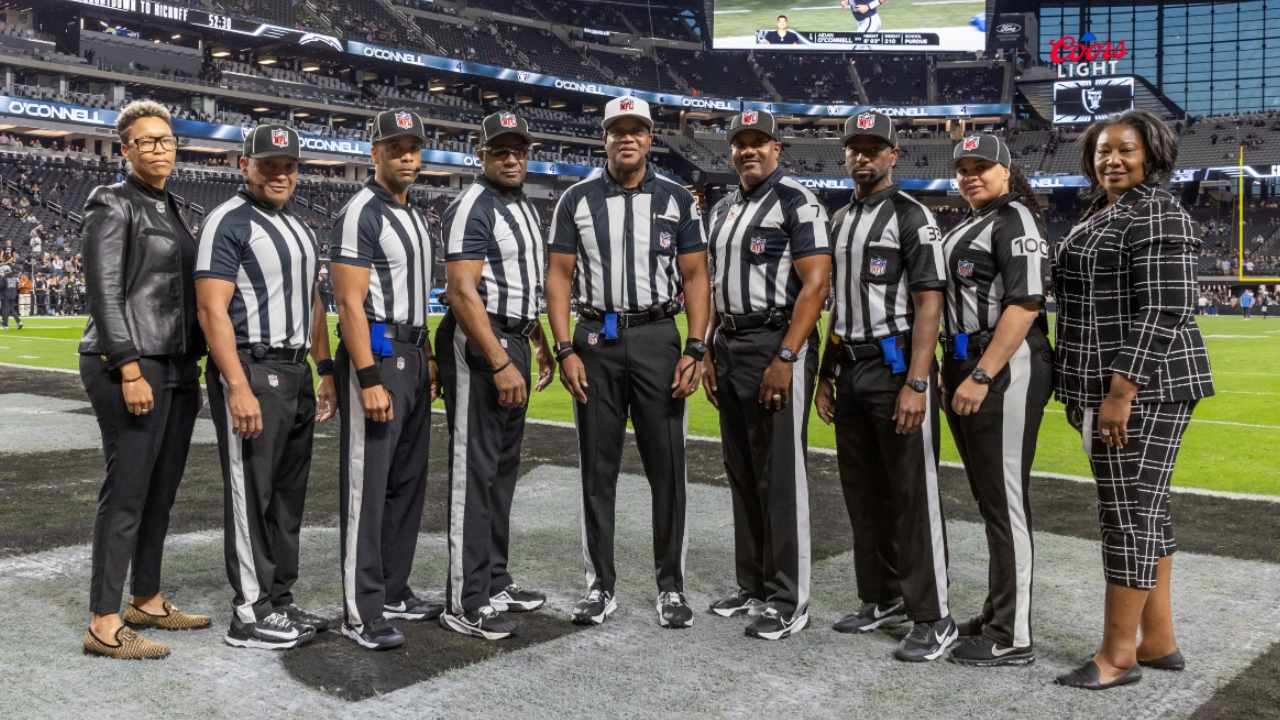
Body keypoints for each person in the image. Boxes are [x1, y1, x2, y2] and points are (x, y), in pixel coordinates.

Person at [1052, 109, 1215, 690]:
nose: (1112, 159)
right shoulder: (1105, 208)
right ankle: (1159, 641)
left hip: (1146, 386)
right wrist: (1077, 390)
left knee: (1126, 516)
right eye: (1102, 150)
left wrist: (1121, 392)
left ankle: (1117, 657)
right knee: (1147, 509)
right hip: (1106, 383)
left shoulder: (1157, 208)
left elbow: (1166, 306)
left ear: (1152, 154)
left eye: (1125, 150)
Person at [546, 95, 710, 629]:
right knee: (598, 470)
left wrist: (695, 347)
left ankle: (671, 587)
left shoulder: (678, 200)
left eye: (636, 129)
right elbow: (560, 277)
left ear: (649, 137)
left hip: (659, 338)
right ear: (605, 138)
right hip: (595, 338)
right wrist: (565, 346)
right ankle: (600, 586)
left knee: (668, 470)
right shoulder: (575, 199)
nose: (627, 138)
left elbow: (695, 278)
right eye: (617, 130)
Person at [812, 112, 952, 660]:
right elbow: (836, 308)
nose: (862, 156)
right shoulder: (839, 219)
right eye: (854, 148)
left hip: (898, 369)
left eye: (874, 148)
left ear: (894, 155)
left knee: (911, 495)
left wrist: (918, 380)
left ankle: (934, 616)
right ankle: (882, 597)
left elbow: (929, 304)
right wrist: (827, 372)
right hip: (850, 367)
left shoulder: (912, 215)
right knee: (863, 493)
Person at [195, 125, 336, 650]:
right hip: (253, 366)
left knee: (286, 496)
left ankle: (279, 598)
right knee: (250, 491)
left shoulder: (299, 227)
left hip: (296, 369)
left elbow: (315, 303)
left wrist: (325, 370)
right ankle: (249, 611)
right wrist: (236, 384)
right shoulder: (226, 222)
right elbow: (211, 309)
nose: (281, 173)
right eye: (269, 163)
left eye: (289, 165)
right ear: (244, 165)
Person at [78, 101, 209, 660]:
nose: (160, 148)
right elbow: (104, 293)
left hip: (177, 366)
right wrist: (128, 367)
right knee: (128, 490)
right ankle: (104, 622)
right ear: (125, 149)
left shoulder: (173, 206)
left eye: (167, 140)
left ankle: (148, 599)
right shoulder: (112, 201)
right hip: (130, 363)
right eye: (147, 141)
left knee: (161, 491)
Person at [704, 110, 830, 641]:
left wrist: (787, 356)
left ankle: (789, 596)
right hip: (729, 342)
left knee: (780, 474)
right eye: (740, 143)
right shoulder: (723, 208)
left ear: (778, 149)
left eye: (759, 143)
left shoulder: (798, 200)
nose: (748, 151)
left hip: (776, 341)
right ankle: (753, 584)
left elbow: (817, 283)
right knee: (742, 470)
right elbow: (711, 284)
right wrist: (707, 348)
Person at [436, 112, 556, 640]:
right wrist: (500, 359)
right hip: (482, 343)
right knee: (475, 469)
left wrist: (539, 341)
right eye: (500, 150)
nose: (511, 158)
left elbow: (523, 286)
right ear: (479, 154)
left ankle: (494, 579)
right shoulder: (472, 205)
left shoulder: (524, 206)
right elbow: (463, 291)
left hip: (515, 336)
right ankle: (465, 598)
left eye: (519, 150)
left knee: (502, 470)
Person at [936, 135, 1054, 666]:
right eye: (962, 169)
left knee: (1005, 503)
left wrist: (982, 373)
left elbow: (1026, 303)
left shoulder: (1015, 220)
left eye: (981, 166)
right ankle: (997, 610)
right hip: (965, 360)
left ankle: (1013, 635)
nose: (970, 175)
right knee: (990, 500)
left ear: (1007, 171)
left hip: (1003, 366)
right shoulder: (968, 223)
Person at [330, 109, 442, 651]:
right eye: (395, 147)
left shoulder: (415, 215)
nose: (407, 156)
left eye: (413, 147)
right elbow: (349, 303)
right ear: (374, 153)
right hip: (378, 352)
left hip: (414, 353)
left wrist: (428, 357)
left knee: (406, 481)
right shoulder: (361, 212)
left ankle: (394, 589)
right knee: (368, 485)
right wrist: (368, 376)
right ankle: (360, 609)